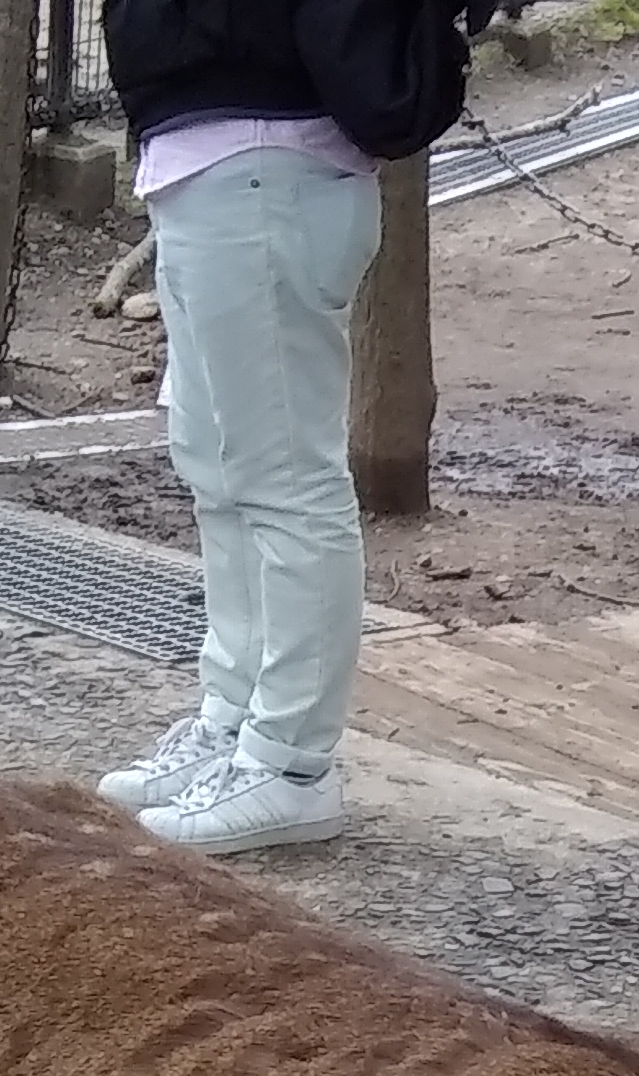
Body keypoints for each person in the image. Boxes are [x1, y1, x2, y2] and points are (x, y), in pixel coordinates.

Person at [99, 0, 498, 854]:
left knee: (282, 475)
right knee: (218, 467)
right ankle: (235, 718)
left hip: (267, 158)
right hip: (211, 161)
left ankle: (290, 760)